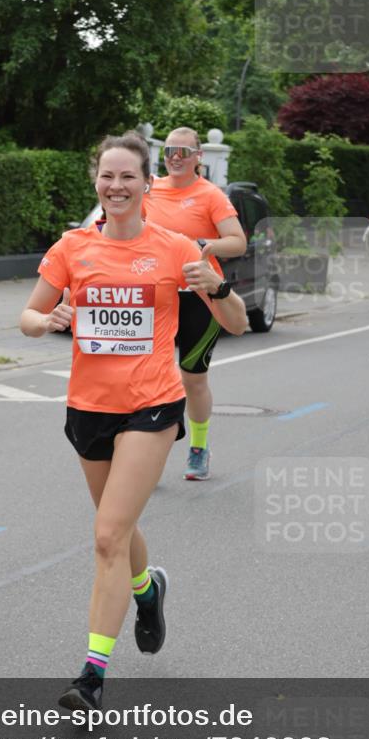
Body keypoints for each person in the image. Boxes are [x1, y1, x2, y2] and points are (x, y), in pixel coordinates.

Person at [20, 131, 247, 711]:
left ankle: (91, 675)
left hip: (151, 406)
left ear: (148, 184)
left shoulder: (175, 248)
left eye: (127, 177)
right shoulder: (71, 247)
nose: (116, 186)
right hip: (87, 408)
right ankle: (147, 590)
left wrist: (216, 285)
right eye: (107, 176)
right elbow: (26, 315)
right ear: (96, 181)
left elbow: (238, 322)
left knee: (105, 536)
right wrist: (47, 320)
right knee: (116, 528)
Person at [144, 126, 247, 481]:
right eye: (170, 149)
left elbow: (237, 242)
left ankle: (199, 447)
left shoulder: (210, 195)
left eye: (184, 151)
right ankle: (144, 455)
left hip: (199, 296)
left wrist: (201, 243)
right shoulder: (150, 189)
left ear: (198, 157)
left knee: (193, 378)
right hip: (156, 296)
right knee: (148, 376)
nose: (175, 156)